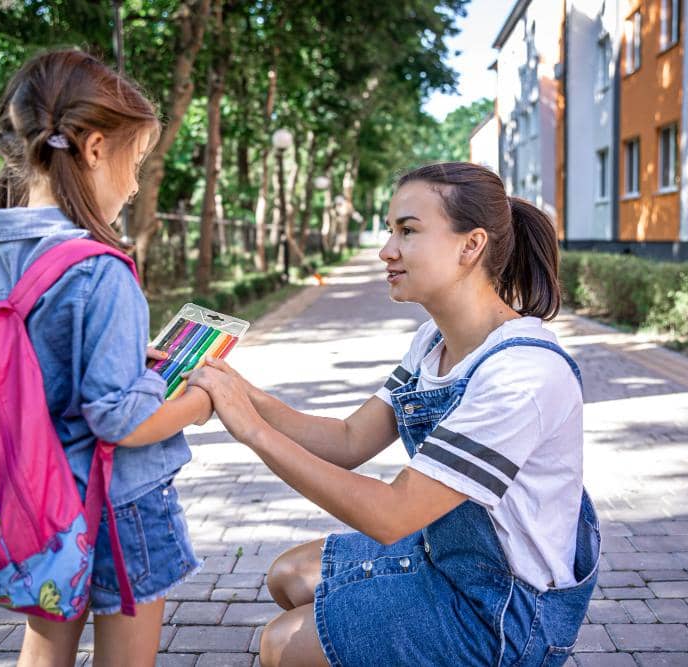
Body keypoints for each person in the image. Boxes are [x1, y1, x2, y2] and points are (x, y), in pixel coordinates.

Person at [189, 162, 600, 666]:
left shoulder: (523, 374)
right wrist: (240, 392)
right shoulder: (433, 342)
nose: (387, 250)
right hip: (444, 558)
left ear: (470, 246)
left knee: (281, 644)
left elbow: (390, 515)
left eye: (408, 231)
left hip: (506, 612)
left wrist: (250, 430)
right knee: (288, 576)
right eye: (391, 231)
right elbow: (348, 440)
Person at [0, 50, 212, 666]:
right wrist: (200, 401)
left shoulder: (1, 252)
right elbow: (118, 422)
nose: (133, 184)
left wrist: (131, 359)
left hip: (39, 495)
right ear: (96, 148)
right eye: (135, 163)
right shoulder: (102, 271)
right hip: (121, 506)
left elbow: (43, 368)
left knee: (43, 654)